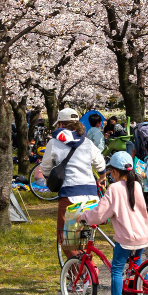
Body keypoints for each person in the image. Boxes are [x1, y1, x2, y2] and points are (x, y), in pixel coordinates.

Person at [73, 151, 148, 295]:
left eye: (110, 172)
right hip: (142, 234)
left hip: (127, 238)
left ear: (114, 172)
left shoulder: (114, 189)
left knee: (116, 269)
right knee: (136, 267)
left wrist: (84, 216)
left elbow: (100, 214)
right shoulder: (136, 185)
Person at [40, 108, 106, 259]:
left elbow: (45, 168)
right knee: (83, 239)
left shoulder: (54, 142)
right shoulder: (87, 142)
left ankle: (81, 276)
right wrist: (102, 177)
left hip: (70, 197)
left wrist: (53, 177)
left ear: (61, 123)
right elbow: (101, 164)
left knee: (67, 240)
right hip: (91, 197)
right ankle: (87, 271)